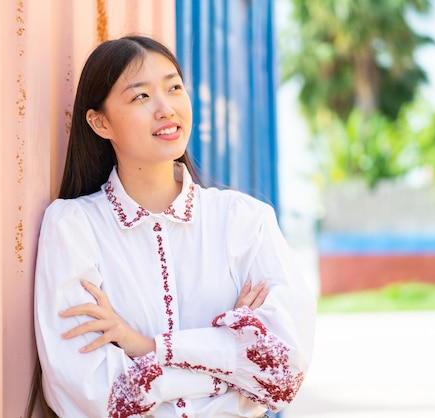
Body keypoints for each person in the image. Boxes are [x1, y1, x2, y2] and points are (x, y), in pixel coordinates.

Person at [33, 35, 316, 418]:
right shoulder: (73, 227)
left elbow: (281, 370)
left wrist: (146, 346)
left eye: (174, 88)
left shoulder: (245, 221)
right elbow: (93, 394)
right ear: (100, 123)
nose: (166, 108)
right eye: (141, 97)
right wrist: (226, 358)